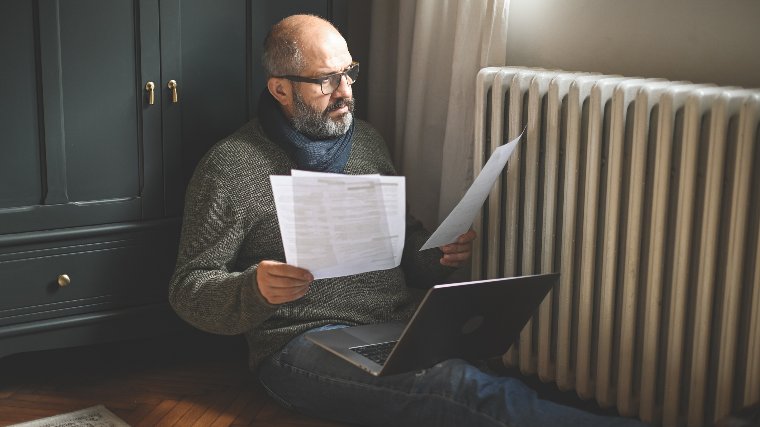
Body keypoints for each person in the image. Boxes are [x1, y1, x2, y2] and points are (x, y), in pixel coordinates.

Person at [168, 14, 648, 427]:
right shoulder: (230, 166)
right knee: (464, 391)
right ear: (280, 89)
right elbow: (189, 289)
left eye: (349, 73)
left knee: (495, 380)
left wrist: (438, 257)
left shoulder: (368, 144)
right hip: (299, 345)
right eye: (326, 80)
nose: (346, 91)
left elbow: (404, 249)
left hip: (397, 327)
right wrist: (254, 288)